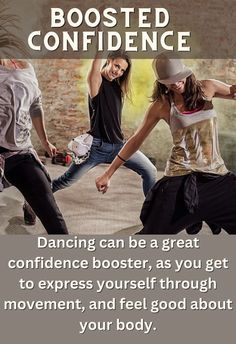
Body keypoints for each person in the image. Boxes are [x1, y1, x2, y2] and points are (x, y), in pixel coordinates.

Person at [96, 53, 236, 234]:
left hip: (216, 176)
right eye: (170, 81)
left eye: (179, 78)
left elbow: (233, 92)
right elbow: (136, 140)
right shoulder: (162, 105)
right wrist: (108, 173)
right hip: (180, 178)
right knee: (151, 235)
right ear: (162, 82)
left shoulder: (208, 87)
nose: (176, 84)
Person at [51, 51, 157, 197]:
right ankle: (32, 202)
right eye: (116, 66)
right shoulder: (96, 81)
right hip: (96, 148)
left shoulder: (117, 88)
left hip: (119, 147)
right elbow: (96, 66)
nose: (118, 71)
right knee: (65, 181)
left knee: (150, 170)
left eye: (122, 70)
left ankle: (151, 214)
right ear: (109, 60)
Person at [0, 57, 68, 234]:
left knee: (54, 218)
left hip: (20, 153)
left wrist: (45, 141)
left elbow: (35, 106)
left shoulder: (25, 66)